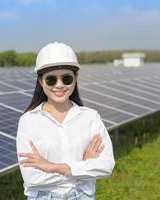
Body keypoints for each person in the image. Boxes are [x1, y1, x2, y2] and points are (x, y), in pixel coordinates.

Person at [16, 42, 115, 200]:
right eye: (51, 80)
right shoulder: (29, 121)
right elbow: (33, 178)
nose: (59, 85)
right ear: (40, 81)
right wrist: (84, 165)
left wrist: (53, 167)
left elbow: (106, 166)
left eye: (66, 78)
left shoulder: (90, 117)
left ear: (76, 78)